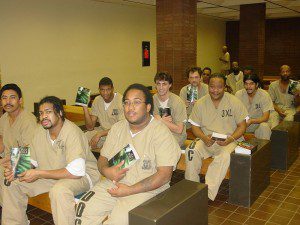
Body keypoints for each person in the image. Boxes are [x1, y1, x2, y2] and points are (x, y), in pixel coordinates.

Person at [75, 83, 180, 225]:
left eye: (136, 102)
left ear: (148, 107)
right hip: (114, 183)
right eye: (127, 103)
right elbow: (103, 159)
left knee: (118, 221)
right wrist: (107, 170)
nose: (130, 107)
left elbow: (164, 175)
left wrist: (129, 190)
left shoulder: (161, 133)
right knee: (83, 208)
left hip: (146, 191)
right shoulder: (117, 128)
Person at [2, 96, 100, 225]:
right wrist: (16, 168)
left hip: (82, 176)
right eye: (41, 113)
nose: (44, 116)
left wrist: (38, 173)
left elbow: (76, 171)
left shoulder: (72, 132)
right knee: (11, 182)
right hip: (51, 174)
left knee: (59, 191)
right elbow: (32, 159)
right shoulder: (40, 131)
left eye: (48, 112)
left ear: (59, 113)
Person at [185, 74, 247, 201]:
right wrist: (204, 138)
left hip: (229, 141)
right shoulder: (201, 103)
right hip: (207, 140)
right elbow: (194, 126)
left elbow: (242, 126)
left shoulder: (234, 101)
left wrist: (230, 139)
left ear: (225, 87)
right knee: (190, 151)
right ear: (208, 87)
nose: (215, 90)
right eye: (212, 87)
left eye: (219, 87)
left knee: (223, 157)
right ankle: (192, 190)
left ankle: (207, 194)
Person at [0, 83, 37, 206]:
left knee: (3, 174)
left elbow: (28, 153)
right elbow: (1, 142)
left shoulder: (28, 120)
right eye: (4, 98)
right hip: (9, 160)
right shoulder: (4, 118)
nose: (8, 101)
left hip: (26, 163)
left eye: (12, 97)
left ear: (20, 100)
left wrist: (9, 160)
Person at [83, 77, 124, 151]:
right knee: (83, 138)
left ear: (112, 89)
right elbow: (90, 127)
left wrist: (100, 134)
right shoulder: (97, 100)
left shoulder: (121, 100)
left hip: (117, 134)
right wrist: (85, 107)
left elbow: (120, 128)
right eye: (102, 90)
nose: (105, 93)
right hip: (101, 132)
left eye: (108, 89)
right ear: (99, 90)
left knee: (108, 148)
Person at [153, 72, 187, 147]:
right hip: (158, 134)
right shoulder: (152, 100)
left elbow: (179, 130)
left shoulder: (178, 102)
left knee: (161, 147)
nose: (161, 87)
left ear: (170, 85)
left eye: (164, 84)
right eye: (158, 84)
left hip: (176, 136)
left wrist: (160, 120)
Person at [235, 74, 274, 140]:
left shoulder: (264, 95)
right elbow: (234, 114)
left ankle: (264, 149)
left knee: (264, 126)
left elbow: (265, 117)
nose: (248, 86)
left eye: (251, 84)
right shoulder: (239, 94)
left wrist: (251, 121)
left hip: (258, 125)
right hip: (242, 125)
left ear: (257, 84)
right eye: (246, 84)